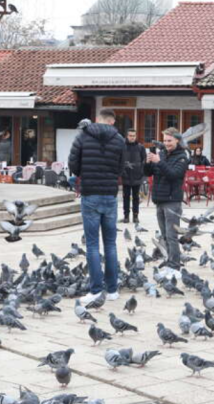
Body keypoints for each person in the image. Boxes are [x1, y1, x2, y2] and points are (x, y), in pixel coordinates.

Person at [68, 108, 125, 305]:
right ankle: (112, 290)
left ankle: (95, 290)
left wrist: (86, 172)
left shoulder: (82, 137)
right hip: (109, 194)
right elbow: (120, 168)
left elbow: (73, 165)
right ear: (112, 121)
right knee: (110, 243)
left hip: (90, 193)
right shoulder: (119, 140)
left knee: (92, 244)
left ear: (97, 119)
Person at [145, 127, 189, 274]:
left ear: (177, 140)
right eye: (164, 140)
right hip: (159, 199)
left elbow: (174, 175)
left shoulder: (182, 157)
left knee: (172, 236)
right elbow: (148, 173)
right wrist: (148, 162)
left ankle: (175, 267)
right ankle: (169, 262)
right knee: (164, 236)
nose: (166, 143)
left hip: (172, 201)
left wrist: (159, 162)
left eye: (169, 140)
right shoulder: (162, 153)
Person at [121, 128, 146, 224]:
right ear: (127, 136)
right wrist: (122, 172)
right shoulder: (122, 147)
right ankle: (126, 216)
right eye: (130, 136)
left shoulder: (140, 147)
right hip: (125, 175)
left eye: (134, 136)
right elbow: (119, 160)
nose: (132, 137)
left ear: (136, 136)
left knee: (136, 197)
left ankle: (136, 216)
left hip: (137, 176)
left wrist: (141, 173)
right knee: (126, 197)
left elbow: (144, 161)